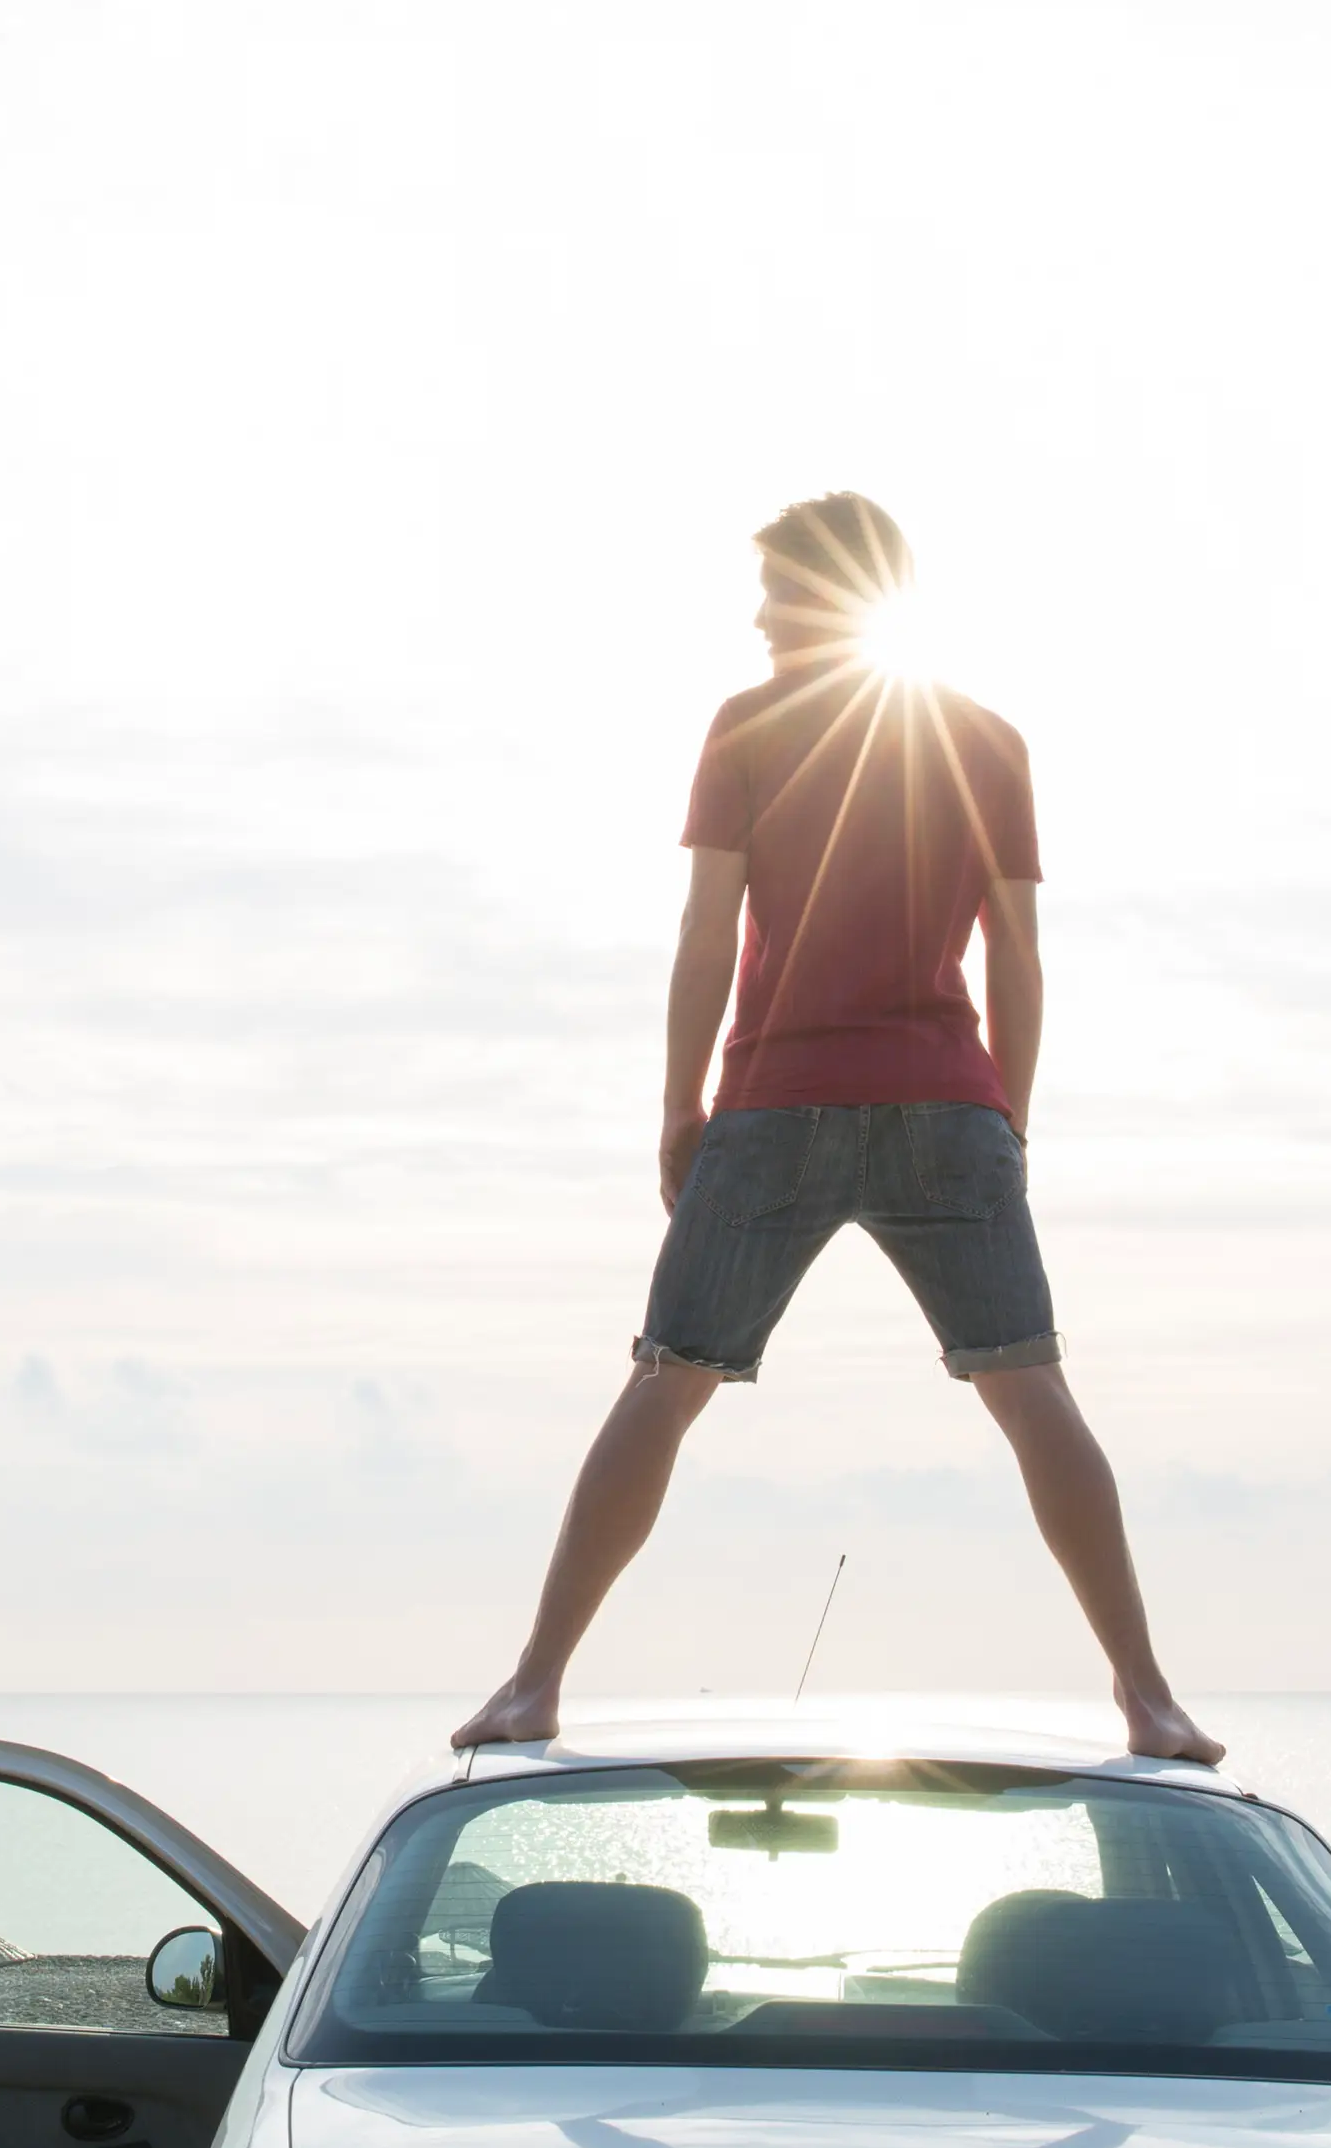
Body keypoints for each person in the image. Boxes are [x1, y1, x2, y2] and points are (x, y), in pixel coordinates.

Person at [451, 494, 1223, 1764]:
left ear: (836, 592)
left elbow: (708, 932)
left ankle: (536, 1684)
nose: (760, 619)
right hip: (948, 1105)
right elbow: (1018, 954)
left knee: (666, 1384)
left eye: (776, 593)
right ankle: (1148, 1698)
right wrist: (1004, 1120)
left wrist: (678, 1104)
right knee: (1032, 1391)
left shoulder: (747, 728)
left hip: (776, 1104)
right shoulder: (988, 738)